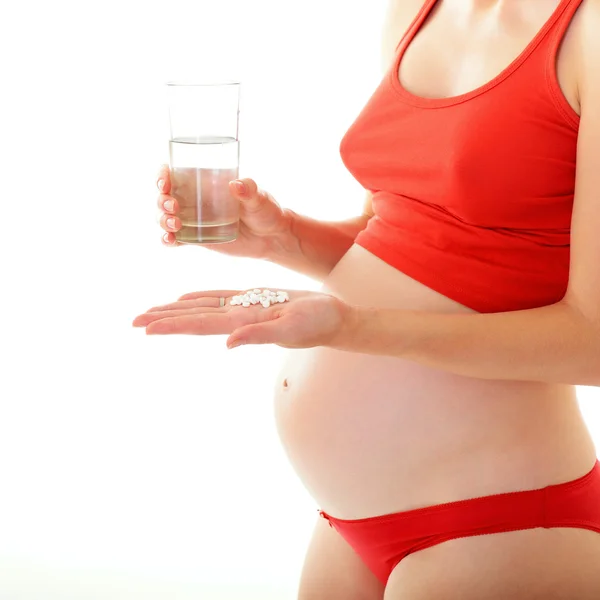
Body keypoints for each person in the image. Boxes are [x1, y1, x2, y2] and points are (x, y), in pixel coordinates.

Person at [133, 0, 600, 597]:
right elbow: (405, 238)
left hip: (497, 522)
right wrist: (286, 238)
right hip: (348, 516)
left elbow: (591, 341)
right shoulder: (414, 12)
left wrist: (348, 329)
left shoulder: (586, 33)